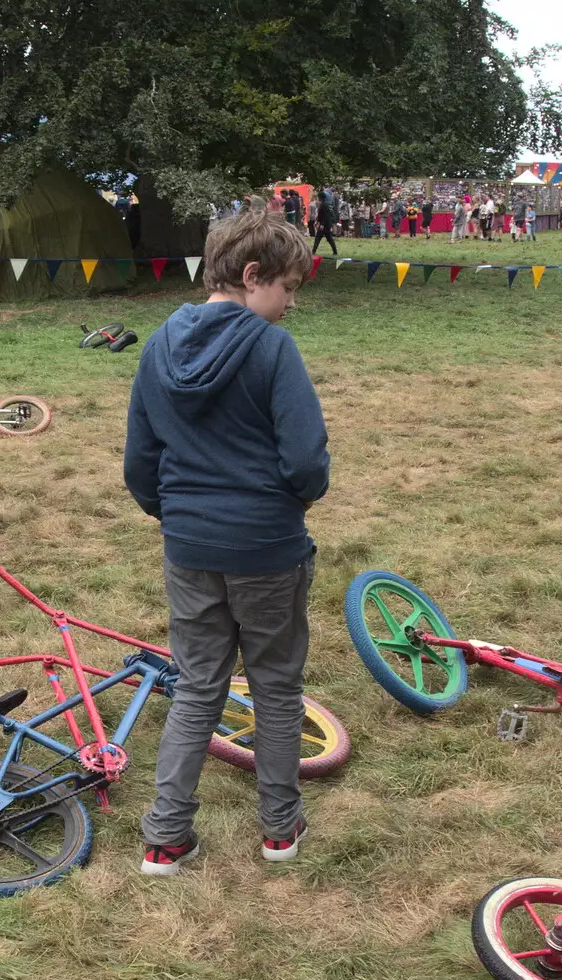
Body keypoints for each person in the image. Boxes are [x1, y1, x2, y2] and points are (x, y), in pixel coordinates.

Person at [123, 207, 329, 876]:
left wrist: (177, 515)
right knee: (274, 687)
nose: (292, 304)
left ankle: (165, 837)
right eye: (289, 287)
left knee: (197, 688)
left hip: (189, 548)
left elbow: (139, 464)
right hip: (268, 549)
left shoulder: (157, 345)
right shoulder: (273, 350)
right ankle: (278, 830)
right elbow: (306, 463)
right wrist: (288, 504)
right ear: (251, 275)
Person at [312, 188, 338, 255]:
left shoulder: (324, 205)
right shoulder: (323, 204)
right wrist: (317, 221)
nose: (318, 198)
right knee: (329, 239)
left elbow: (326, 216)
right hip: (325, 224)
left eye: (318, 197)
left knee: (318, 238)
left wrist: (322, 224)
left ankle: (313, 251)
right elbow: (321, 215)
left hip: (325, 225)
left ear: (320, 197)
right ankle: (335, 252)